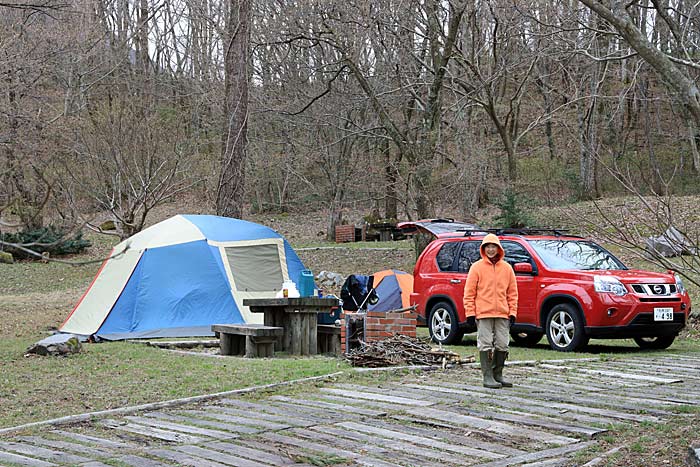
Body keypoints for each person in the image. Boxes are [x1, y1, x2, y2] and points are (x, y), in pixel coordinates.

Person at [463, 233, 518, 388]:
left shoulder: (507, 268)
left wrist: (512, 312)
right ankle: (487, 377)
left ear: (499, 248)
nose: (491, 250)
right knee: (485, 344)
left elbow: (513, 293)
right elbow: (469, 293)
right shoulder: (476, 268)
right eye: (488, 247)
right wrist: (470, 313)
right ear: (483, 249)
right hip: (484, 313)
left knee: (503, 344)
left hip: (502, 313)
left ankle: (497, 374)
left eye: (494, 247)